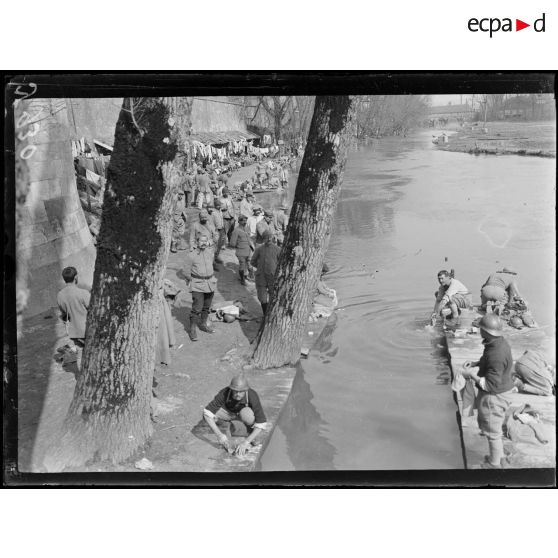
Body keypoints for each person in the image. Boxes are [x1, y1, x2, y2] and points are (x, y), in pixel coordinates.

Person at [460, 314, 515, 469]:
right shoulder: (498, 343)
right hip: (504, 389)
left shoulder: (495, 355)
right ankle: (500, 455)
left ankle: (494, 463)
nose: (479, 331)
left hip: (494, 396)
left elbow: (490, 385)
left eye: (481, 329)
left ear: (486, 332)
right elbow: (490, 361)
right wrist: (477, 363)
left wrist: (472, 375)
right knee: (494, 426)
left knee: (492, 432)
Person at [202, 374, 267, 456]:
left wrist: (246, 442)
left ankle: (249, 432)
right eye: (235, 391)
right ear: (231, 389)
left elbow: (261, 423)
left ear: (246, 390)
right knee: (209, 416)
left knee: (247, 415)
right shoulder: (224, 392)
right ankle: (225, 426)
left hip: (242, 414)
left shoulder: (252, 395)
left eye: (241, 392)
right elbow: (207, 412)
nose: (238, 394)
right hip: (228, 413)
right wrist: (219, 435)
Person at [183, 234, 217, 341]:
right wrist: (191, 280)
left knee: (207, 306)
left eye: (205, 241)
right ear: (197, 242)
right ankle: (192, 329)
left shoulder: (210, 253)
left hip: (210, 283)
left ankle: (203, 324)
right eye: (201, 241)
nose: (203, 243)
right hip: (197, 284)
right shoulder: (191, 255)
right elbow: (185, 271)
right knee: (197, 308)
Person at [57, 266, 90, 364]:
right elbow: (93, 310)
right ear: (76, 277)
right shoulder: (83, 293)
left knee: (80, 355)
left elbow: (63, 313)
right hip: (87, 329)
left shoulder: (60, 295)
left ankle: (81, 377)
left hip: (73, 331)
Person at [251, 230, 280, 314]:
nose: (269, 239)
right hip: (261, 276)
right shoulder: (259, 249)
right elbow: (253, 261)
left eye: (270, 237)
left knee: (273, 295)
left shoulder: (278, 249)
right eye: (267, 238)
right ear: (263, 239)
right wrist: (260, 267)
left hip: (273, 276)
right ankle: (265, 314)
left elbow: (281, 263)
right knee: (262, 297)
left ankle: (270, 315)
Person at [229, 215, 255, 285]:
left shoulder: (246, 229)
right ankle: (242, 280)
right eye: (243, 220)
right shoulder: (236, 231)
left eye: (246, 220)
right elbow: (232, 243)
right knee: (242, 265)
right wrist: (239, 244)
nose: (245, 222)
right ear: (239, 221)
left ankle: (251, 277)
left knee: (250, 264)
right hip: (241, 252)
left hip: (249, 250)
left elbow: (249, 238)